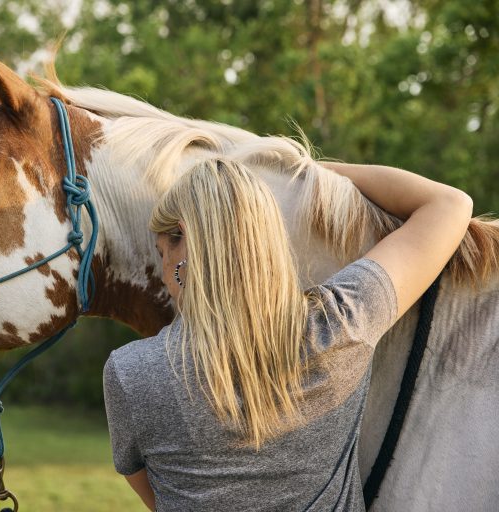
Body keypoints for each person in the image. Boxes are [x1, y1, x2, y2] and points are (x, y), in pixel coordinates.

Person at [102, 157, 472, 511]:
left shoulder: (130, 373)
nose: (164, 275)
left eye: (161, 251)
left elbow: (159, 495)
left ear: (183, 240)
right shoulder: (343, 323)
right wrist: (315, 175)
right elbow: (449, 203)